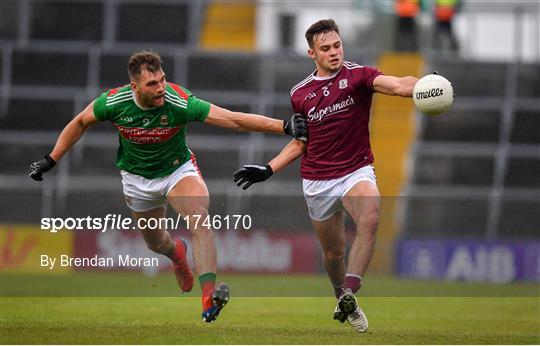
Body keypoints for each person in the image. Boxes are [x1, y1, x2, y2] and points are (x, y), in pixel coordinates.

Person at [28, 50, 307, 323]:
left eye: (162, 79)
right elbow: (80, 122)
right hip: (137, 180)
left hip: (177, 171)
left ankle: (208, 297)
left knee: (199, 218)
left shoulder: (179, 101)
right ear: (135, 86)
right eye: (153, 84)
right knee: (156, 243)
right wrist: (50, 160)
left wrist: (283, 126)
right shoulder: (114, 102)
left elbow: (232, 118)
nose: (161, 87)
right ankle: (177, 254)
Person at [233, 19, 419, 333]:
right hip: (317, 182)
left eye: (337, 45)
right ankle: (342, 297)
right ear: (312, 53)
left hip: (355, 171)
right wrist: (269, 168)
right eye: (326, 48)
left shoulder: (360, 76)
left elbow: (400, 85)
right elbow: (300, 142)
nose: (334, 52)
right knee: (333, 253)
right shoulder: (300, 93)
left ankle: (349, 291)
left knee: (371, 214)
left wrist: (425, 85)